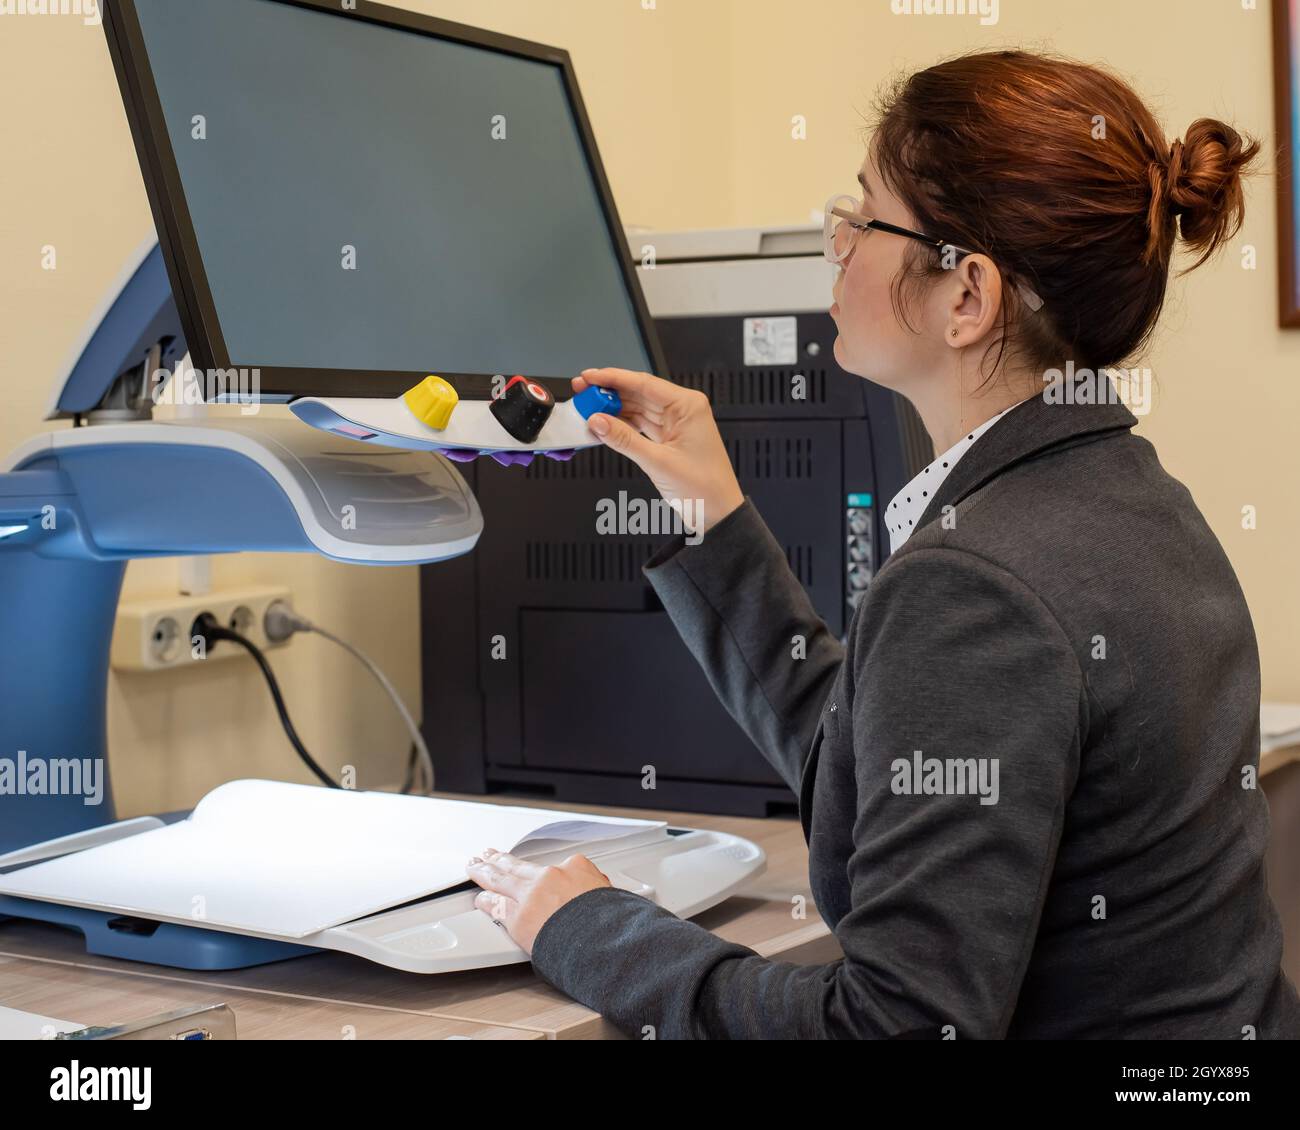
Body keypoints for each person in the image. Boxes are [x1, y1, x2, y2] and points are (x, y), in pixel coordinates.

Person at [467, 49, 1300, 1039]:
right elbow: (885, 758)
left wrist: (593, 930)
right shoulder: (1134, 502)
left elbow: (896, 1027)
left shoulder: (976, 578)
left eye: (863, 214)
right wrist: (712, 508)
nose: (838, 243)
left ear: (966, 296)